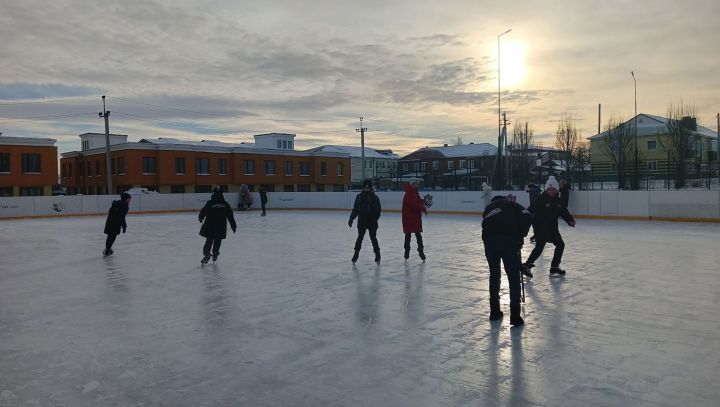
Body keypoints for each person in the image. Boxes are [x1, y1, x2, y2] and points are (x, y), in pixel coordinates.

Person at [482, 194, 532, 325]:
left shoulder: (488, 208)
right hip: (508, 243)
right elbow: (528, 215)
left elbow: (485, 226)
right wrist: (520, 237)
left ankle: (494, 312)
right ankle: (515, 316)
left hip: (490, 244)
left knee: (494, 275)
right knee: (513, 278)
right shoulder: (512, 204)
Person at [522, 176, 575, 277]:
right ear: (546, 189)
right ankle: (527, 265)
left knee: (560, 245)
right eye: (549, 189)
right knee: (540, 246)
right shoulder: (541, 199)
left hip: (552, 227)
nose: (551, 191)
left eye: (553, 189)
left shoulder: (559, 201)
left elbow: (564, 212)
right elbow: (530, 210)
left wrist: (570, 220)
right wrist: (523, 219)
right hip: (540, 226)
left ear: (557, 190)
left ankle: (554, 267)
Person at [199, 186, 237, 264]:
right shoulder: (225, 204)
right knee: (218, 240)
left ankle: (206, 255)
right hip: (221, 227)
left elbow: (204, 211)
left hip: (210, 226)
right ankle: (215, 253)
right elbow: (230, 215)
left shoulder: (210, 202)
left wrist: (201, 217)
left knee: (209, 240)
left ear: (213, 193)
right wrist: (233, 226)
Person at [348, 180, 382, 263]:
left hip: (372, 221)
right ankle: (356, 253)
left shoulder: (374, 197)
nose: (366, 188)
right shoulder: (359, 197)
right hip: (362, 221)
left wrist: (375, 219)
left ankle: (377, 253)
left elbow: (378, 210)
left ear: (370, 187)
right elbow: (355, 209)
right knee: (360, 237)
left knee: (373, 237)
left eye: (368, 187)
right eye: (365, 187)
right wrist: (351, 218)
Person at [401, 180, 427, 262]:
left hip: (415, 218)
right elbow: (413, 204)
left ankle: (421, 251)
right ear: (412, 185)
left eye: (417, 184)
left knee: (418, 235)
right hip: (409, 218)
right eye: (415, 184)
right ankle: (406, 253)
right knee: (408, 235)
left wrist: (423, 201)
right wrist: (422, 207)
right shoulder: (409, 193)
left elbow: (417, 201)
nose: (417, 185)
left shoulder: (415, 192)